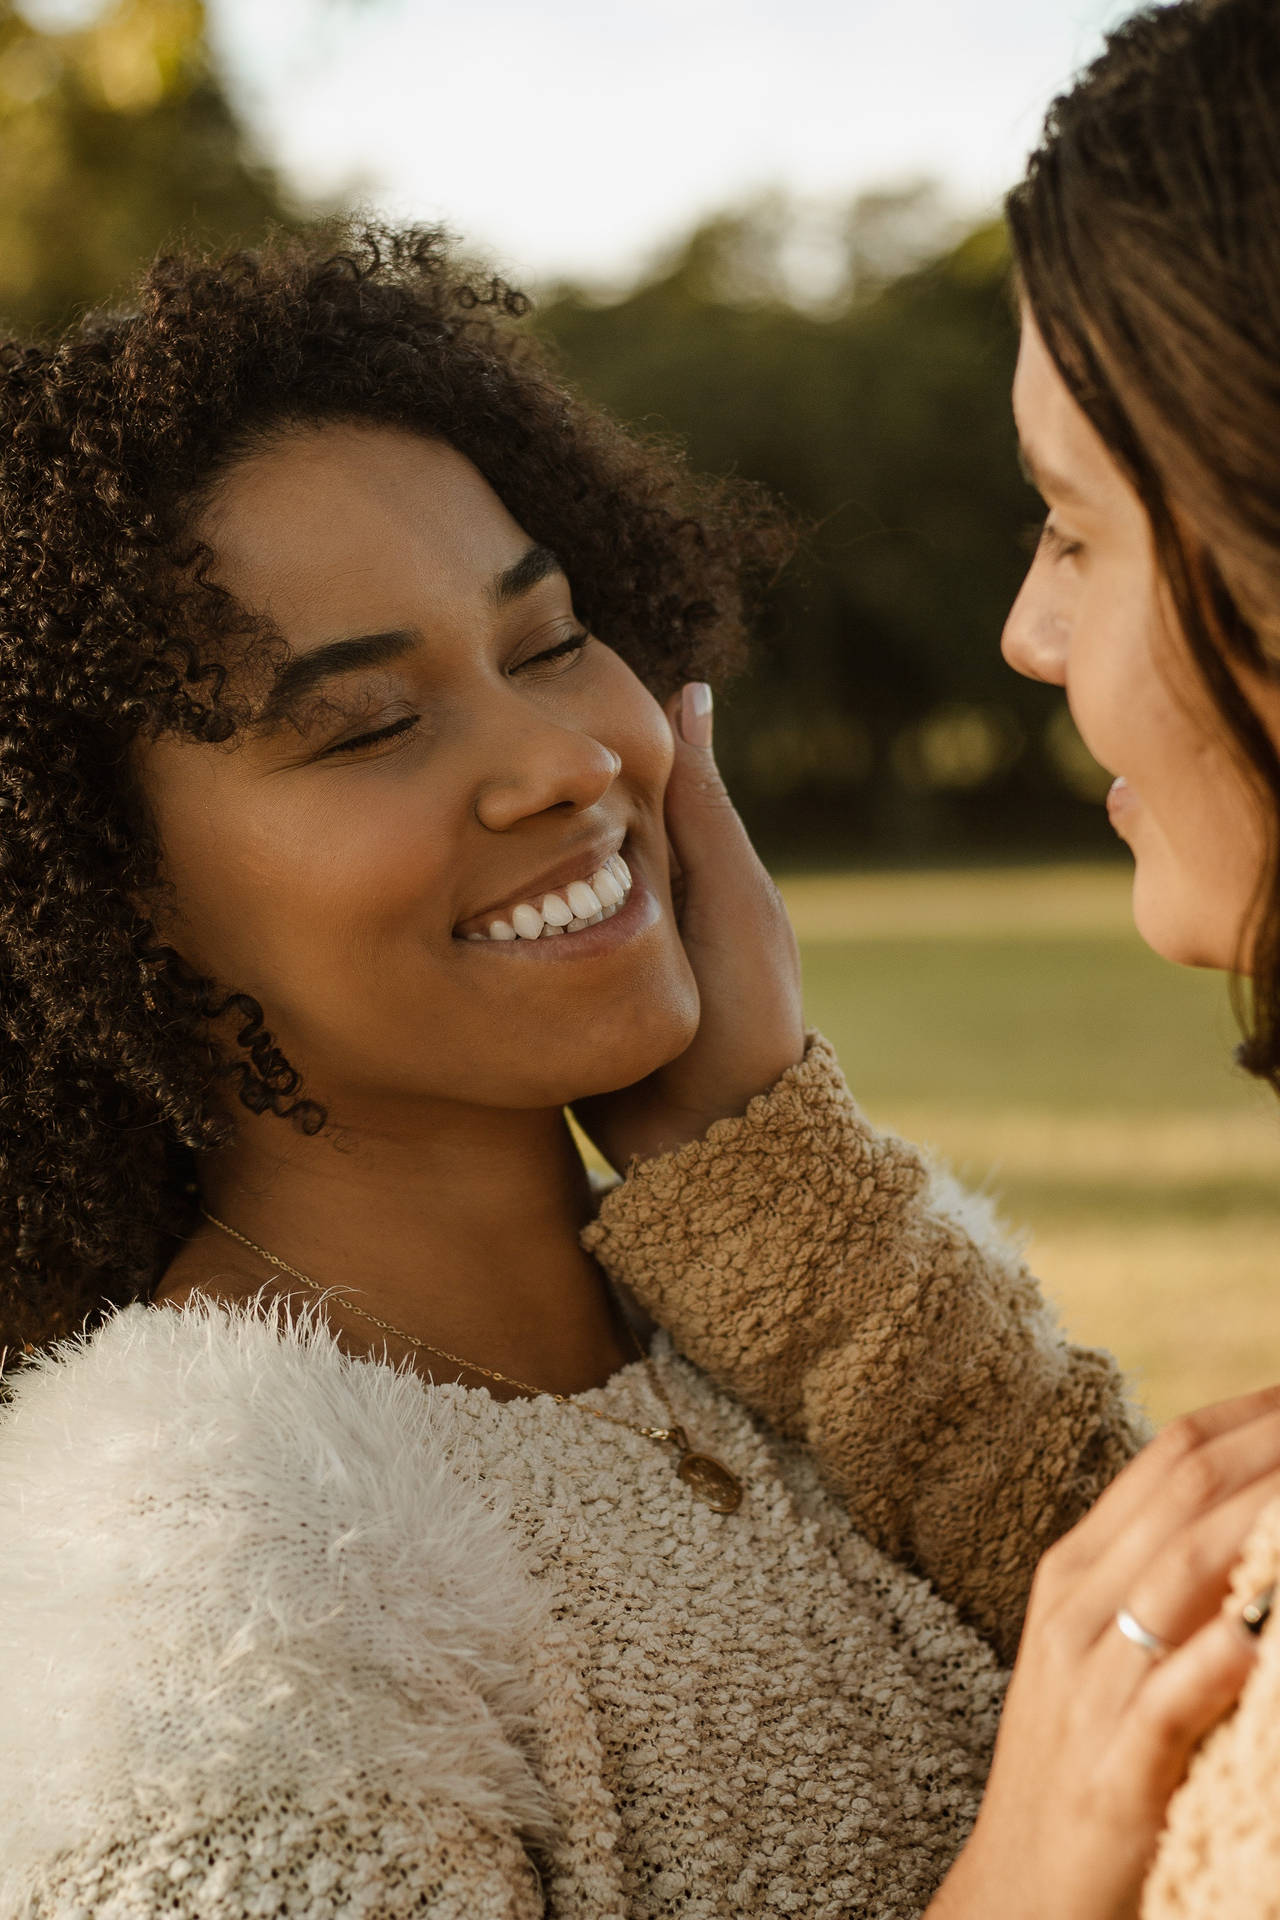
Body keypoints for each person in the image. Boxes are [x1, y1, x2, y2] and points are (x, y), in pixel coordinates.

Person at [0, 216, 1267, 1918]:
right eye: (368, 725)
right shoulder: (195, 1587)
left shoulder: (760, 1325)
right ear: (102, 896)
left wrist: (769, 1163)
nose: (564, 755)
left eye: (545, 640)